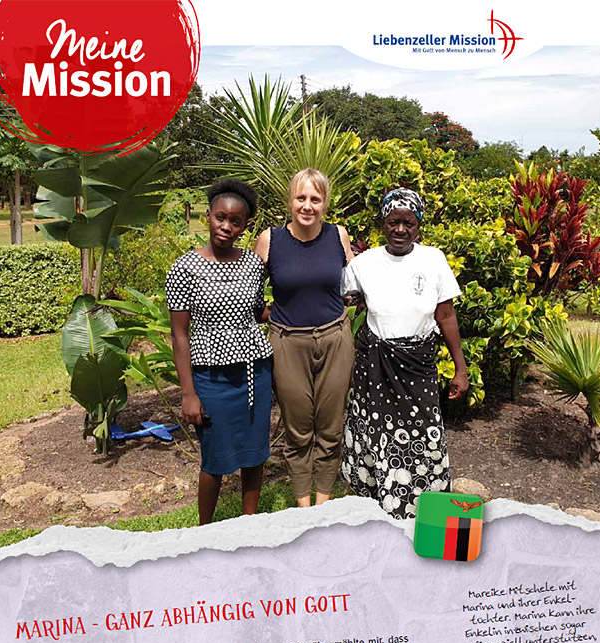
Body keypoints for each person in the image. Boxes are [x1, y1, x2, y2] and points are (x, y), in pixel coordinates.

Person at [340, 188, 469, 520]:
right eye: (393, 222)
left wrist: (460, 368)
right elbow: (344, 303)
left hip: (418, 364)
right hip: (374, 367)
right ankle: (377, 511)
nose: (400, 230)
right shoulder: (363, 264)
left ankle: (426, 516)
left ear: (419, 224)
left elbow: (446, 315)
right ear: (383, 223)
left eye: (408, 223)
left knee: (425, 435)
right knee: (376, 435)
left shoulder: (433, 260)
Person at [166, 179, 273, 525]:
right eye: (220, 218)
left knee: (255, 454)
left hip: (255, 373)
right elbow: (179, 335)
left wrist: (301, 307)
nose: (226, 227)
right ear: (208, 217)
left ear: (244, 227)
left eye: (236, 222)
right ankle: (205, 531)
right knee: (214, 458)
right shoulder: (184, 268)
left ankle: (249, 524)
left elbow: (257, 311)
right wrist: (188, 394)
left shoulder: (253, 265)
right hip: (211, 378)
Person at [255, 168, 355, 508]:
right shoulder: (271, 240)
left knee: (330, 427)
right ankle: (304, 508)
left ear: (325, 202)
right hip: (287, 343)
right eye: (301, 198)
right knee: (297, 428)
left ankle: (323, 504)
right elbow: (250, 292)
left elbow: (354, 282)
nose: (307, 206)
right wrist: (273, 316)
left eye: (315, 198)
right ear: (290, 200)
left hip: (335, 339)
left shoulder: (338, 235)